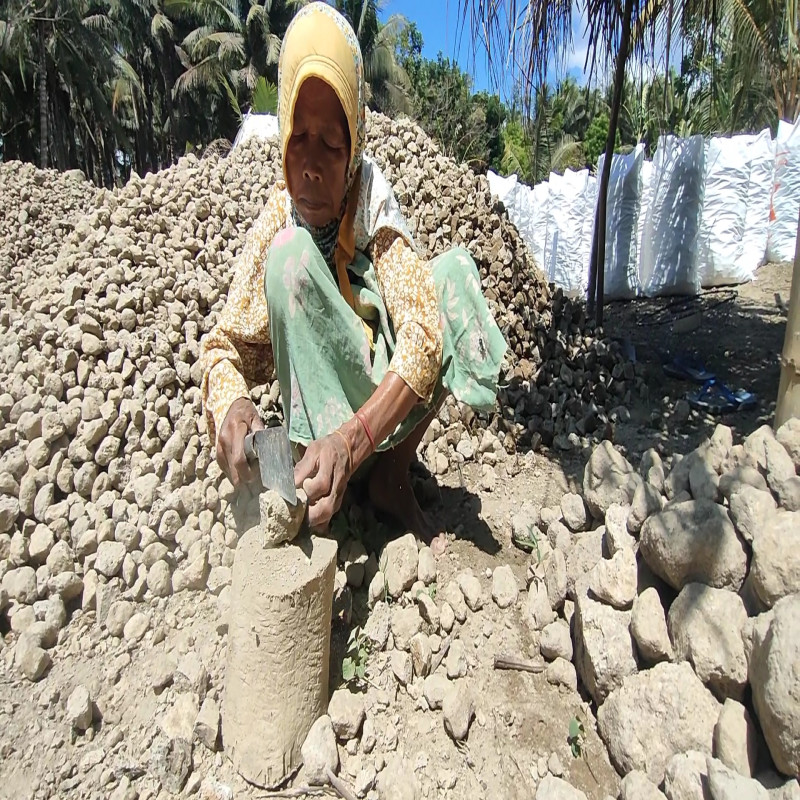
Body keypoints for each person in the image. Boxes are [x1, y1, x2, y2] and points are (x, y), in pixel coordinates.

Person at [199, 2, 506, 554]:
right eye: (299, 138)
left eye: (331, 143)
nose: (312, 165)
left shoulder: (370, 196)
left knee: (453, 276)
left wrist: (354, 439)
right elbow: (224, 347)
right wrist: (232, 407)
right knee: (291, 254)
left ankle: (387, 473)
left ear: (356, 143)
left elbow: (422, 333)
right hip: (315, 434)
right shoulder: (280, 217)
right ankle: (320, 488)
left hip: (369, 411)